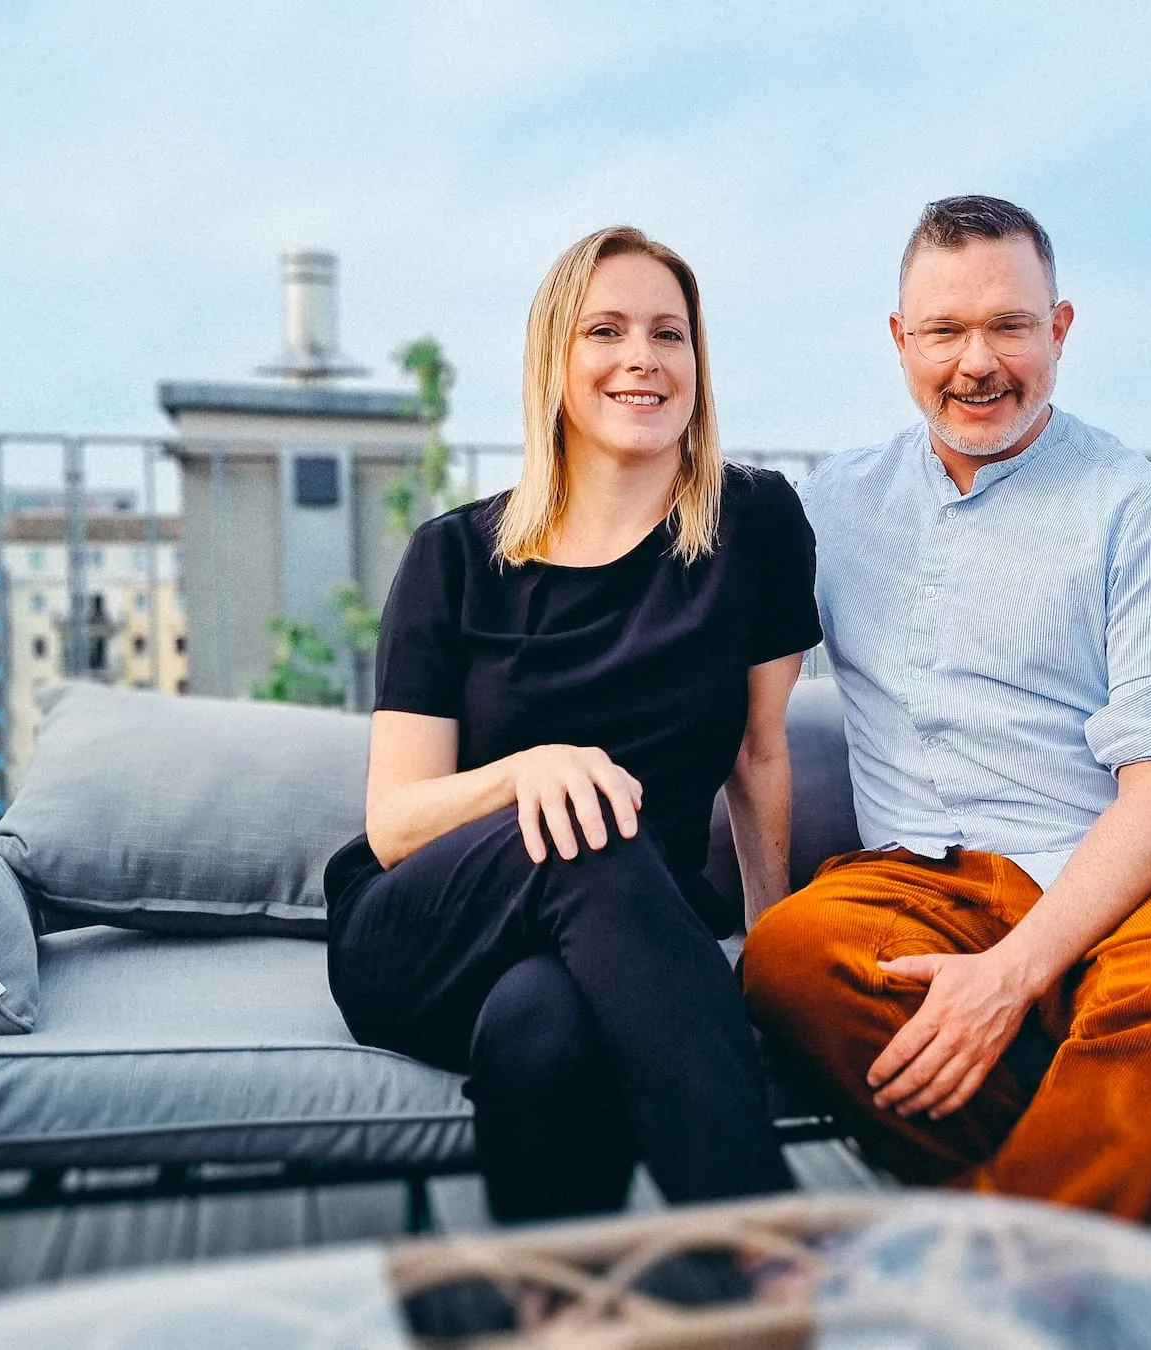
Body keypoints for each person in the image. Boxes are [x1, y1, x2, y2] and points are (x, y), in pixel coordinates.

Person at [742, 196, 1151, 1222]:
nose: (977, 363)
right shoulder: (831, 506)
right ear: (900, 340)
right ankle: (1056, 1243)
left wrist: (1010, 975)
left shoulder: (1143, 511)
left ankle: (978, 1268)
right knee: (789, 956)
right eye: (945, 331)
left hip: (1130, 881)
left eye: (1009, 325)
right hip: (916, 881)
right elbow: (741, 715)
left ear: (1061, 329)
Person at [325, 225, 818, 1222]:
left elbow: (759, 756)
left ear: (697, 366)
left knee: (540, 1033)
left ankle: (562, 1310)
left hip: (623, 937)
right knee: (595, 822)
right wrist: (529, 771)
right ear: (556, 362)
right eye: (607, 330)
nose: (642, 357)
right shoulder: (455, 558)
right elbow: (395, 822)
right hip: (427, 930)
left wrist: (770, 952)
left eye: (669, 334)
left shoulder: (755, 526)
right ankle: (768, 1252)